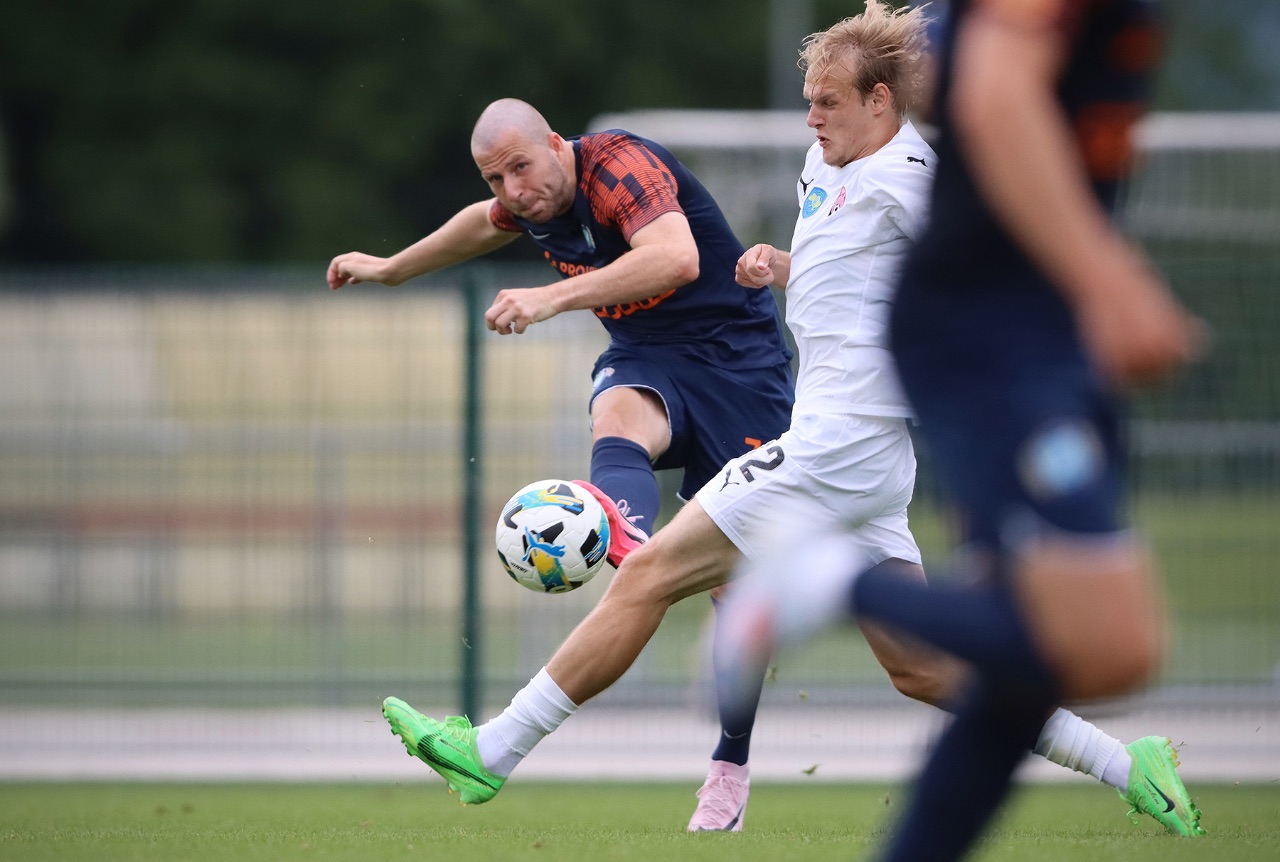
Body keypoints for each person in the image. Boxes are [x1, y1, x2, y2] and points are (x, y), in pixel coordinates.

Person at [379, 2, 1200, 838]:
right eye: (809, 101)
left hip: (836, 445)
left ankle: (495, 750)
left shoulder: (907, 176)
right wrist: (782, 265)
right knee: (923, 671)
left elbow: (990, 254)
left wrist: (1090, 303)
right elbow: (855, 274)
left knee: (648, 574)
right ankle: (1127, 764)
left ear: (881, 101)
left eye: (828, 102)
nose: (811, 118)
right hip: (866, 457)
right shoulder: (827, 163)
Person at [715, 0, 1206, 857]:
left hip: (1033, 333)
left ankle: (824, 581)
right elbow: (992, 94)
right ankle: (820, 578)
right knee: (1110, 646)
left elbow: (955, 71)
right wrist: (1107, 277)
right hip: (992, 332)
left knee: (1018, 672)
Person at [329, 96, 795, 807]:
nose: (513, 190)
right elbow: (480, 225)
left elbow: (676, 258)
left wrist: (550, 299)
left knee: (739, 595)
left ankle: (730, 764)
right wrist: (393, 269)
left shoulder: (619, 166)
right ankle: (629, 543)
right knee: (616, 418)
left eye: (520, 167)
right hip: (648, 354)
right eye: (495, 178)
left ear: (555, 143)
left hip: (740, 367)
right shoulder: (530, 200)